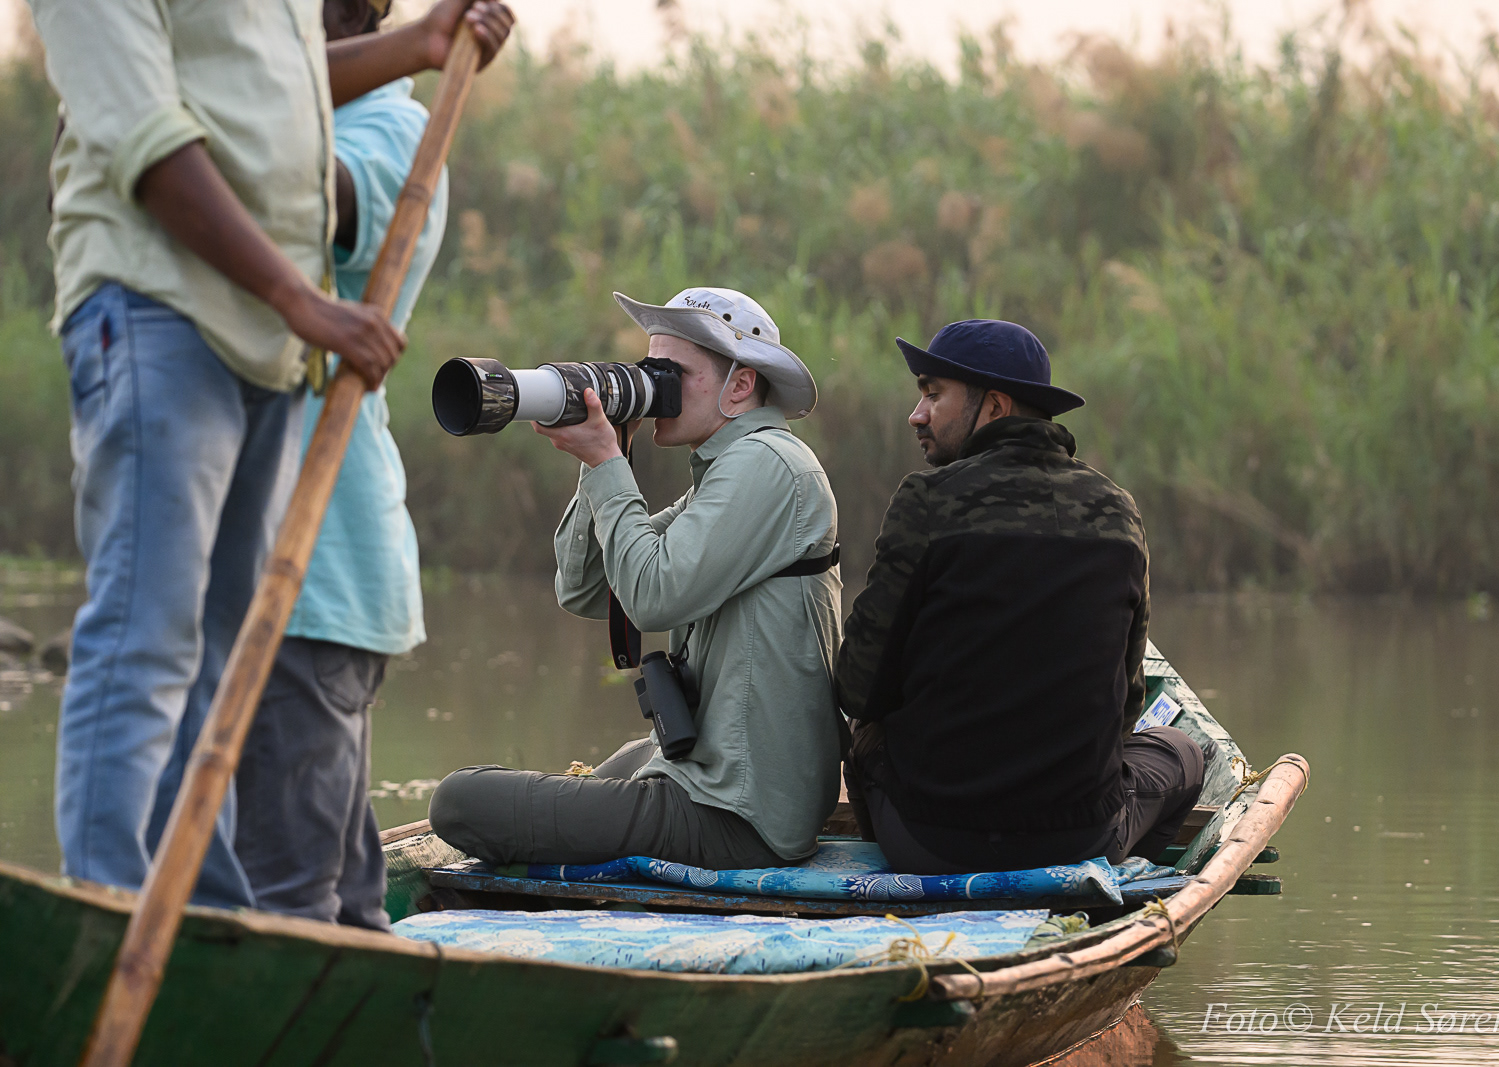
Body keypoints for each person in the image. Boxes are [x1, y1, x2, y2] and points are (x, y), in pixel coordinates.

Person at [32, 0, 513, 907]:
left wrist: (415, 48)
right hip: (177, 316)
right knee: (151, 648)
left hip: (326, 552)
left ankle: (207, 929)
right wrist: (297, 295)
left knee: (220, 698)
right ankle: (117, 918)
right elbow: (165, 134)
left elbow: (262, 109)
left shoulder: (388, 118)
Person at [430, 287, 843, 870]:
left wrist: (608, 467)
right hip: (716, 783)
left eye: (671, 375)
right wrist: (600, 457)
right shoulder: (727, 471)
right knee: (618, 763)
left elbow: (652, 597)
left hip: (736, 815)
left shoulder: (769, 466)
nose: (655, 391)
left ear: (742, 385)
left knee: (458, 801)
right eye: (649, 371)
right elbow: (586, 589)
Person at [232, 0, 463, 932]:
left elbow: (302, 190)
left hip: (320, 561)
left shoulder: (390, 127)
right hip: (291, 563)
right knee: (341, 894)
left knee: (289, 903)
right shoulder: (338, 115)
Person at [835, 319, 1205, 875]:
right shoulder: (1117, 512)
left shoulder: (927, 502)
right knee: (1184, 751)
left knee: (868, 735)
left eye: (934, 395)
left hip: (928, 844)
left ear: (995, 406)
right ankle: (1108, 890)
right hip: (1078, 839)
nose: (917, 414)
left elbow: (858, 687)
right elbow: (1124, 706)